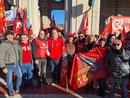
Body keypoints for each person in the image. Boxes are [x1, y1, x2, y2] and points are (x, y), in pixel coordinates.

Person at [0, 31, 22, 96]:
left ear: (13, 36)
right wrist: (3, 67)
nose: (10, 36)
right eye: (8, 35)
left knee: (20, 76)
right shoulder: (2, 45)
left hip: (16, 64)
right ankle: (11, 91)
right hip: (7, 65)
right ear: (5, 36)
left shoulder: (16, 42)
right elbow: (0, 57)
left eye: (11, 35)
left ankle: (18, 88)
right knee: (9, 80)